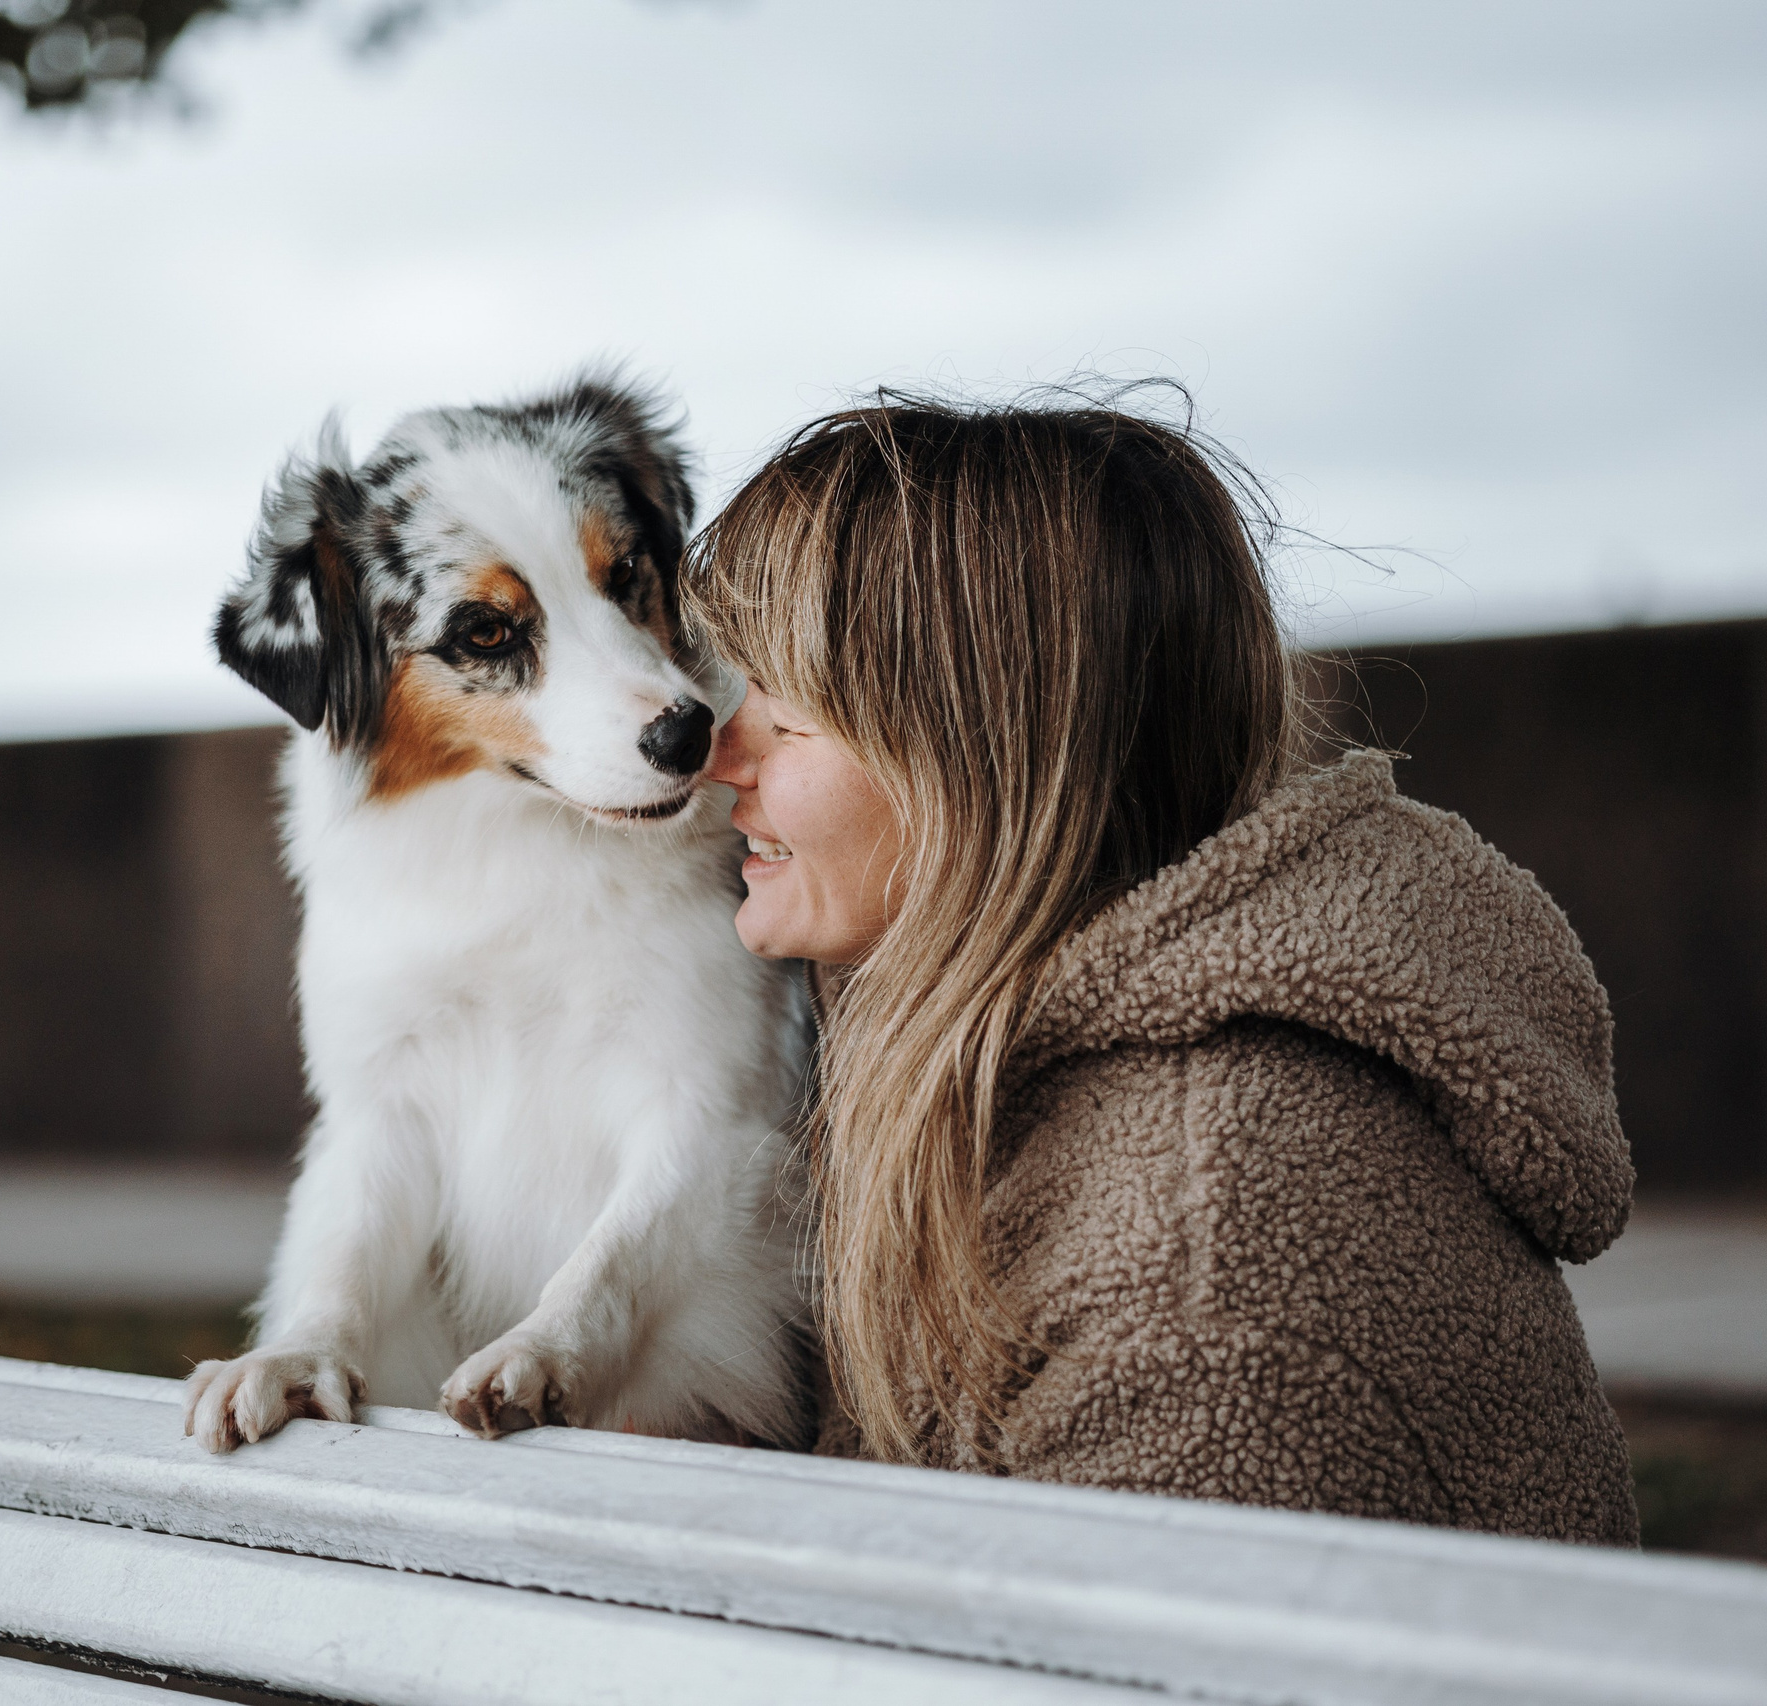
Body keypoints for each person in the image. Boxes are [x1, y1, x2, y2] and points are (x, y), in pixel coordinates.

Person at [690, 394, 1639, 1544]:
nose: (711, 765)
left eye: (783, 724)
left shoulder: (1196, 1283)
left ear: (981, 763)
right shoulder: (998, 1082)